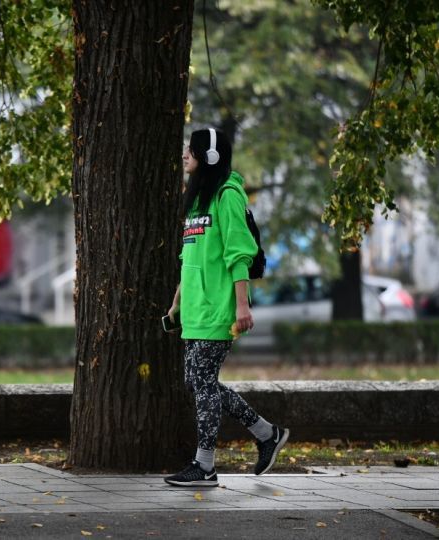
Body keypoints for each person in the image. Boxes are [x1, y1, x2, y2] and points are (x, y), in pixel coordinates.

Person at [164, 127, 289, 487]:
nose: (186, 154)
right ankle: (267, 434)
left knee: (202, 382)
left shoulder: (227, 196)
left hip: (220, 308)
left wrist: (241, 306)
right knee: (198, 381)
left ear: (210, 156)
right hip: (196, 309)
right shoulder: (199, 199)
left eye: (193, 149)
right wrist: (178, 298)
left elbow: (239, 254)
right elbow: (191, 255)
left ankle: (205, 466)